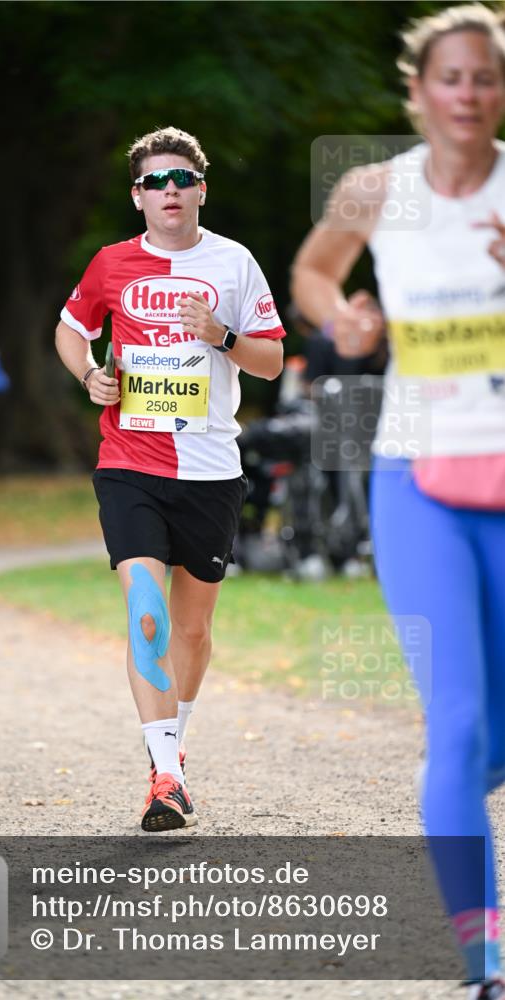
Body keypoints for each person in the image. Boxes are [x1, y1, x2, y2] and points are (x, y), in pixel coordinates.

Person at [291, 6, 505, 997]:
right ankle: (481, 963)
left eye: (485, 79)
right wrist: (346, 319)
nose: (467, 94)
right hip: (416, 479)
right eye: (450, 77)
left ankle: (453, 794)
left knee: (483, 742)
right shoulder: (376, 191)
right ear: (417, 92)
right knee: (456, 726)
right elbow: (311, 271)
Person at [55, 126, 285, 832]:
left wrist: (219, 334)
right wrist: (88, 372)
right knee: (146, 613)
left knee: (191, 628)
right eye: (155, 182)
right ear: (137, 197)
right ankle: (165, 776)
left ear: (200, 190)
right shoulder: (111, 264)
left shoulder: (234, 263)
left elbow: (271, 361)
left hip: (212, 469)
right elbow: (70, 328)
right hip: (128, 461)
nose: (169, 192)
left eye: (180, 179)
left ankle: (171, 752)